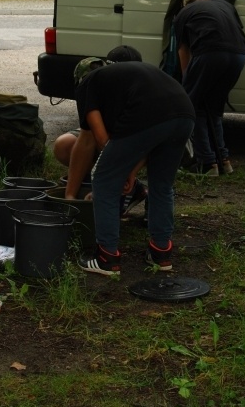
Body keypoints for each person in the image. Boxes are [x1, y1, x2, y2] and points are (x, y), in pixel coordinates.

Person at [70, 57, 195, 276]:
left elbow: (100, 139)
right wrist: (131, 170)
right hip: (184, 112)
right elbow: (147, 142)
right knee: (162, 185)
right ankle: (160, 252)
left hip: (149, 114)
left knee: (103, 178)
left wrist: (116, 172)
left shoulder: (87, 84)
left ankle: (106, 257)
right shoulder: (123, 79)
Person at [58, 45, 148, 217]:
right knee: (64, 145)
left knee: (160, 152)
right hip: (111, 137)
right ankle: (94, 180)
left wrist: (124, 175)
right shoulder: (97, 81)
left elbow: (148, 140)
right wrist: (70, 195)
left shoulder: (144, 91)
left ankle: (141, 194)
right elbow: (89, 137)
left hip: (143, 138)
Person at [173, 0, 245, 176]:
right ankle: (224, 161)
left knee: (194, 107)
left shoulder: (183, 13)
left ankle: (207, 163)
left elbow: (183, 50)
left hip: (211, 53)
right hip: (239, 55)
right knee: (214, 109)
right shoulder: (225, 5)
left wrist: (187, 81)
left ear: (186, 3)